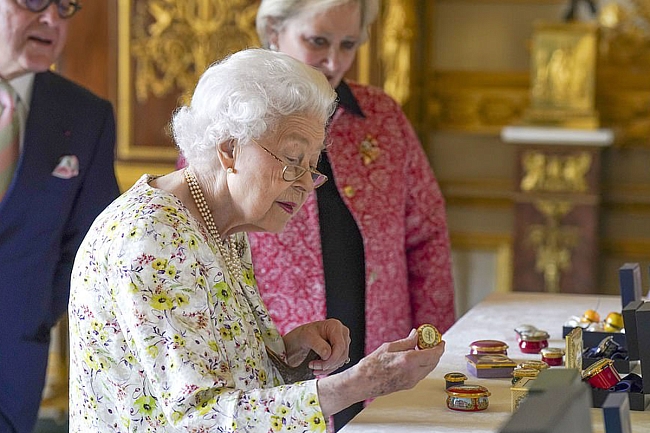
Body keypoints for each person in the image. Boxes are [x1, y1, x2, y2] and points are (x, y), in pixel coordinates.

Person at [68, 48, 446, 433]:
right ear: (230, 149)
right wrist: (355, 385)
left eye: (311, 168)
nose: (304, 185)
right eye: (292, 160)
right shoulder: (152, 239)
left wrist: (290, 356)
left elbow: (223, 377)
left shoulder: (219, 221)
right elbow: (200, 418)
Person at [251, 1, 456, 428]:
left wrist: (437, 341)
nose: (333, 61)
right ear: (274, 30)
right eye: (318, 41)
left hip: (381, 346)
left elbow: (427, 237)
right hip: (280, 363)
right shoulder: (236, 119)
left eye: (348, 44)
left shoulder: (382, 117)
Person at [0, 1, 120, 432]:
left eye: (65, 6)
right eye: (34, 1)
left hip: (12, 362)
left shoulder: (87, 116)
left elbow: (92, 246)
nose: (52, 19)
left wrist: (33, 311)